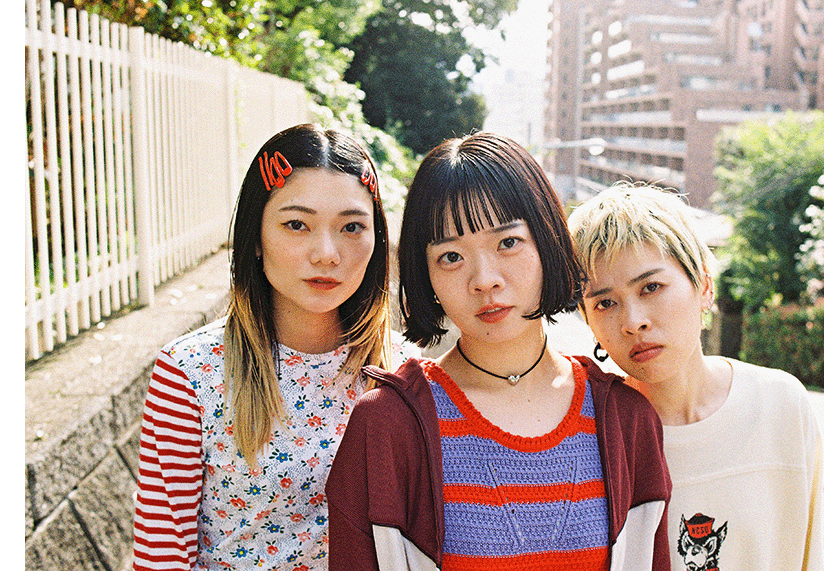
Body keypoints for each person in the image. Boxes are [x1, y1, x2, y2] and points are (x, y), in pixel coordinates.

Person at [325, 132, 672, 571]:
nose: (484, 279)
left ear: (547, 240)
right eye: (451, 256)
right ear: (425, 274)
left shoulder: (625, 420)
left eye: (507, 243)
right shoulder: (387, 426)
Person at [131, 123, 419, 570]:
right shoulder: (189, 374)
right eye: (296, 224)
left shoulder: (405, 373)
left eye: (352, 227)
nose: (327, 253)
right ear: (256, 237)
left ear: (376, 240)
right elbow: (161, 554)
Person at [567, 182, 824, 570]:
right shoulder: (591, 433)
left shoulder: (780, 404)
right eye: (605, 303)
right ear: (588, 320)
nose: (633, 321)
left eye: (651, 287)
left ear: (704, 286)